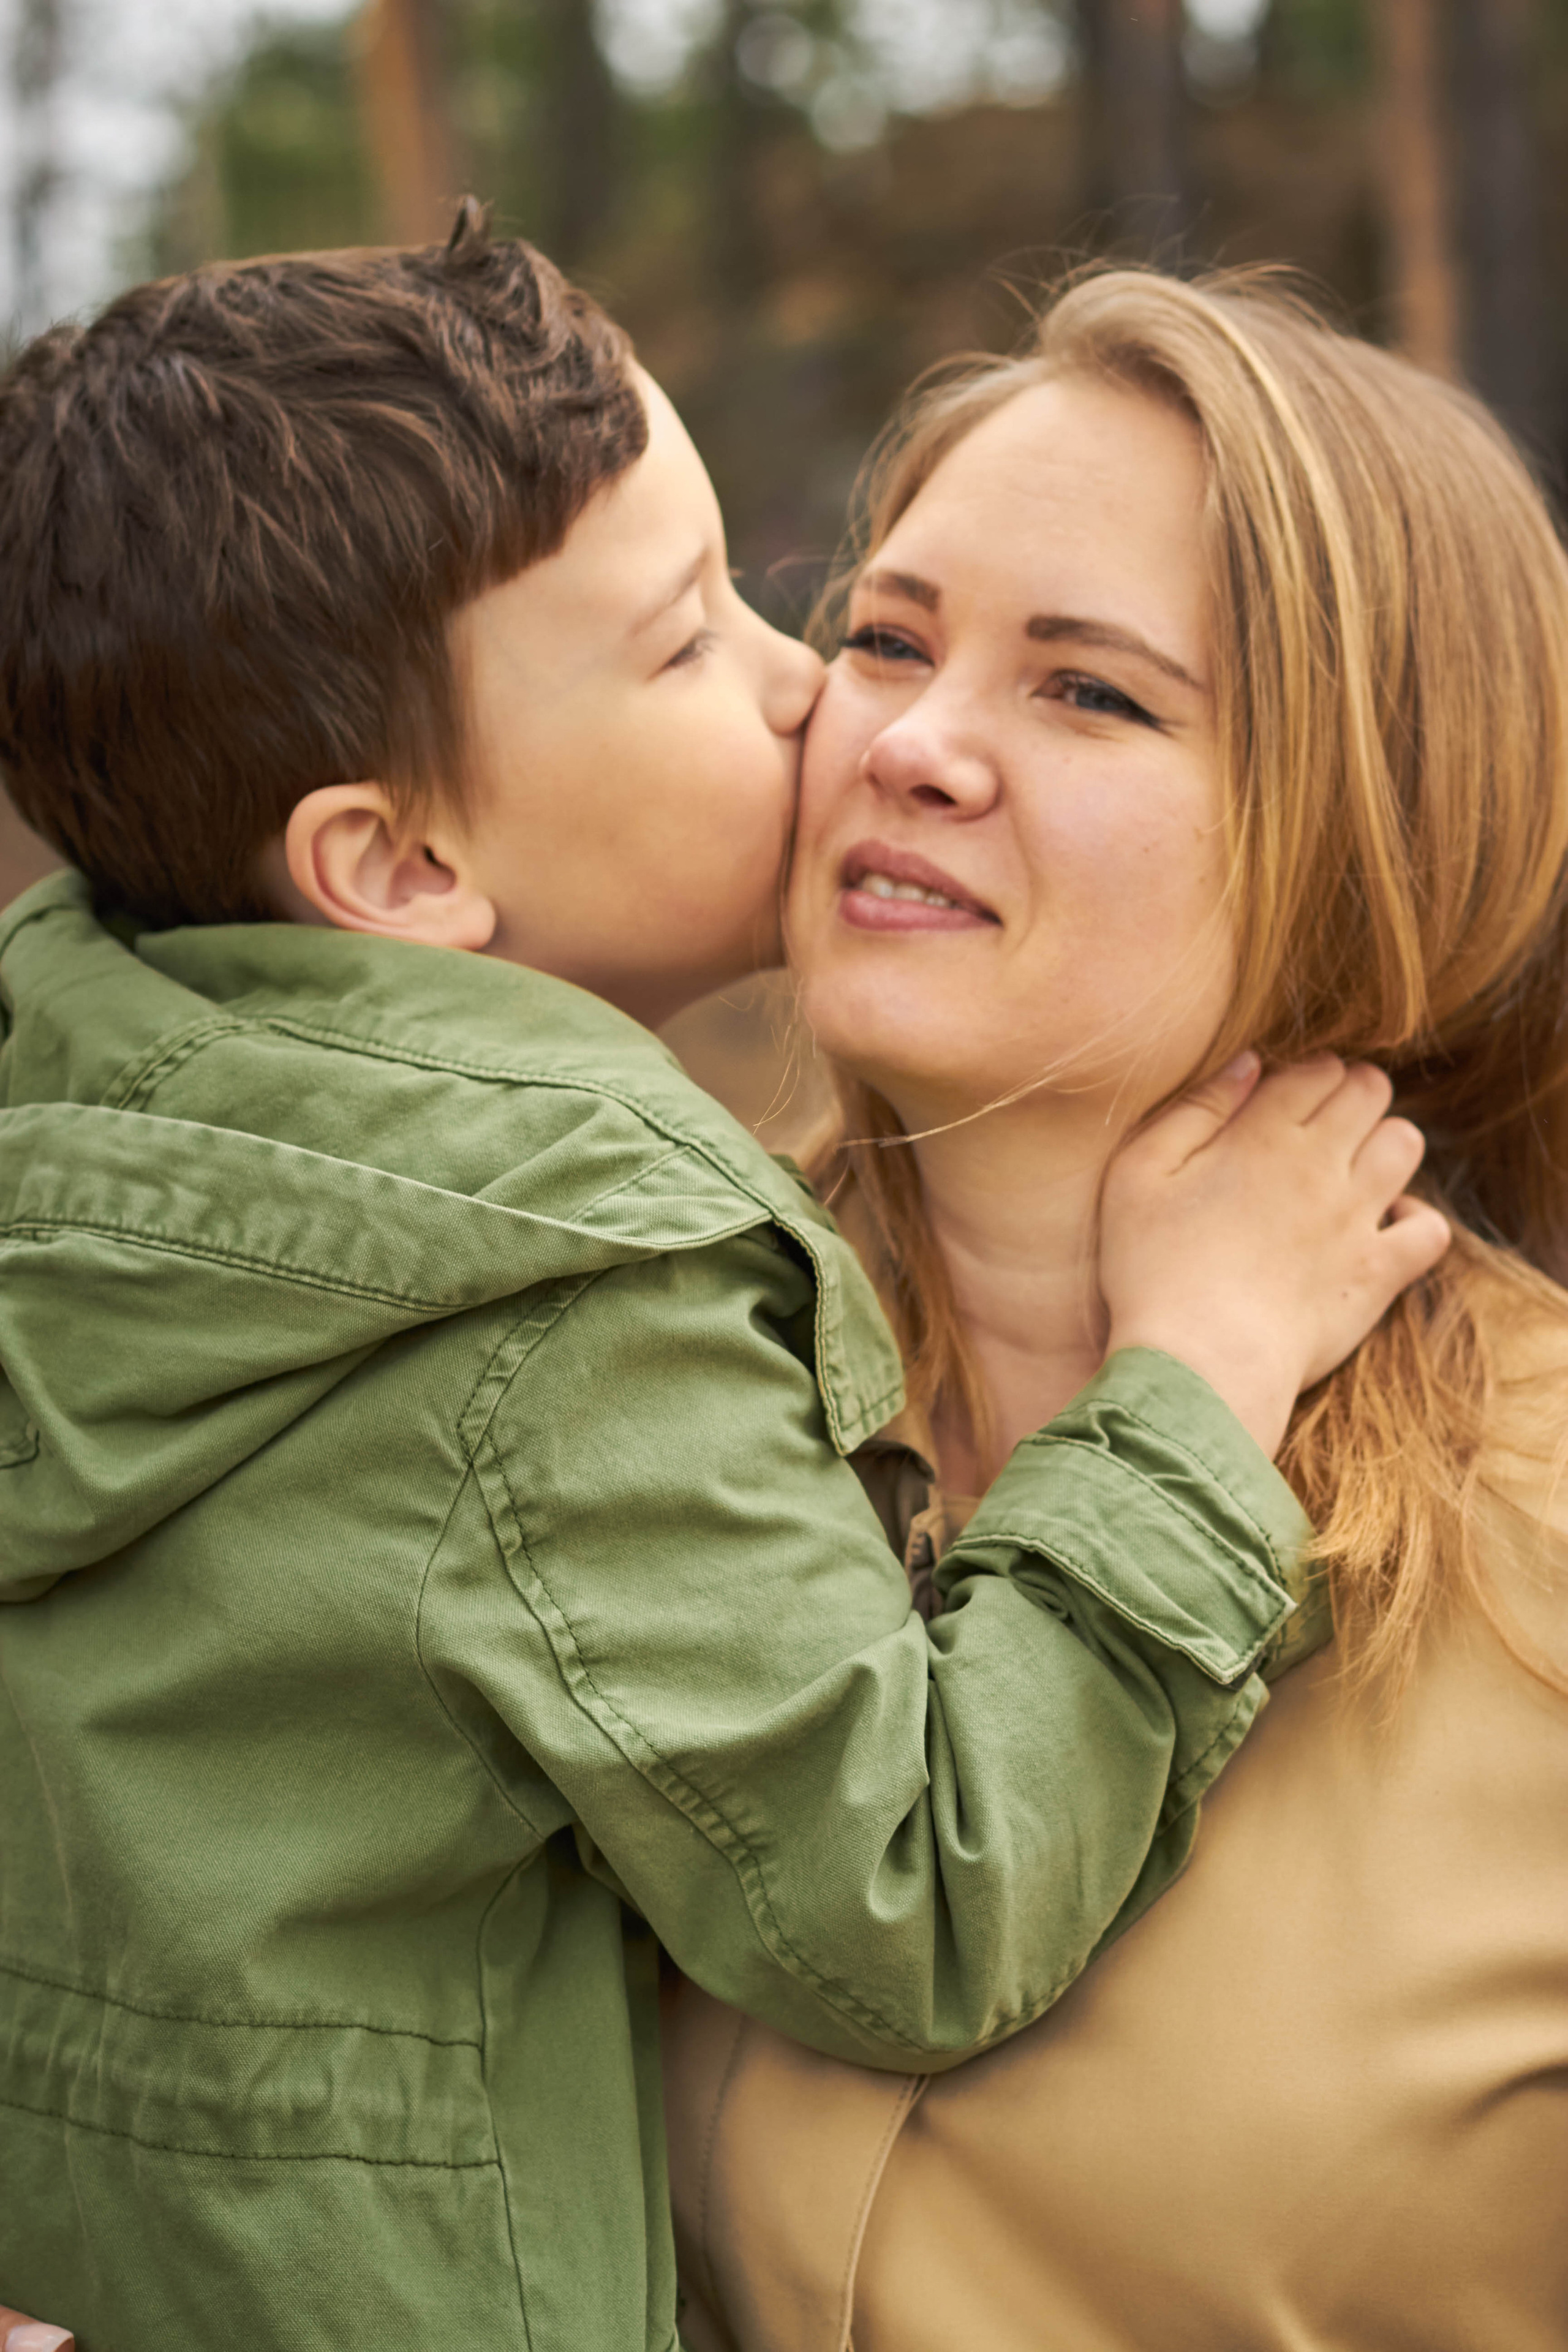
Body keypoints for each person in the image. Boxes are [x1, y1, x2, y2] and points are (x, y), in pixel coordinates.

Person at [0, 216, 1441, 2350]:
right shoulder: (574, 1302)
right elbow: (908, 1898)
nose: (820, 704)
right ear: (396, 868)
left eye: (1087, 687)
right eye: (698, 644)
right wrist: (1201, 1377)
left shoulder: (97, 1182)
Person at [663, 265, 1568, 2352]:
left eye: (1090, 693)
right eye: (888, 639)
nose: (914, 746)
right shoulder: (605, 1396)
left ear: (1379, 828)